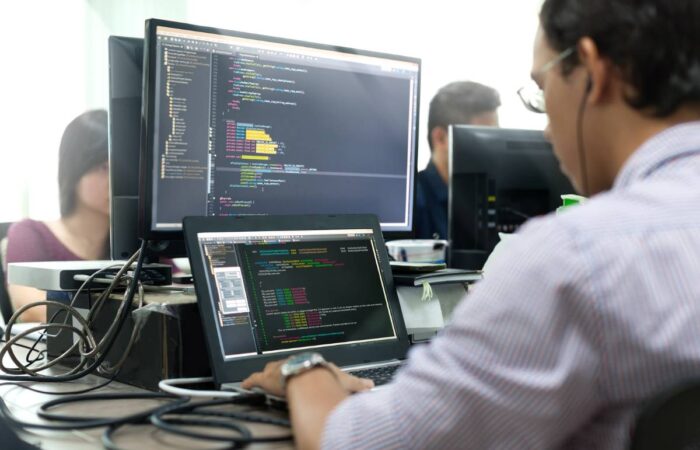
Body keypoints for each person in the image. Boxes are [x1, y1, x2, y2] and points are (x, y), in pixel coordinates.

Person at [241, 0, 700, 448]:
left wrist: (304, 370)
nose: (544, 129)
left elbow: (353, 441)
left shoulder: (575, 259)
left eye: (541, 89)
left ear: (591, 70)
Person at [6, 110, 109, 323]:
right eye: (104, 167)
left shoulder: (138, 242)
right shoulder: (30, 234)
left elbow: (175, 297)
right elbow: (31, 309)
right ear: (75, 171)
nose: (118, 179)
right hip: (63, 355)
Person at [414, 81, 500, 239]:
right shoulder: (415, 204)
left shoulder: (489, 201)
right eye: (482, 137)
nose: (492, 148)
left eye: (497, 136)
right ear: (440, 138)